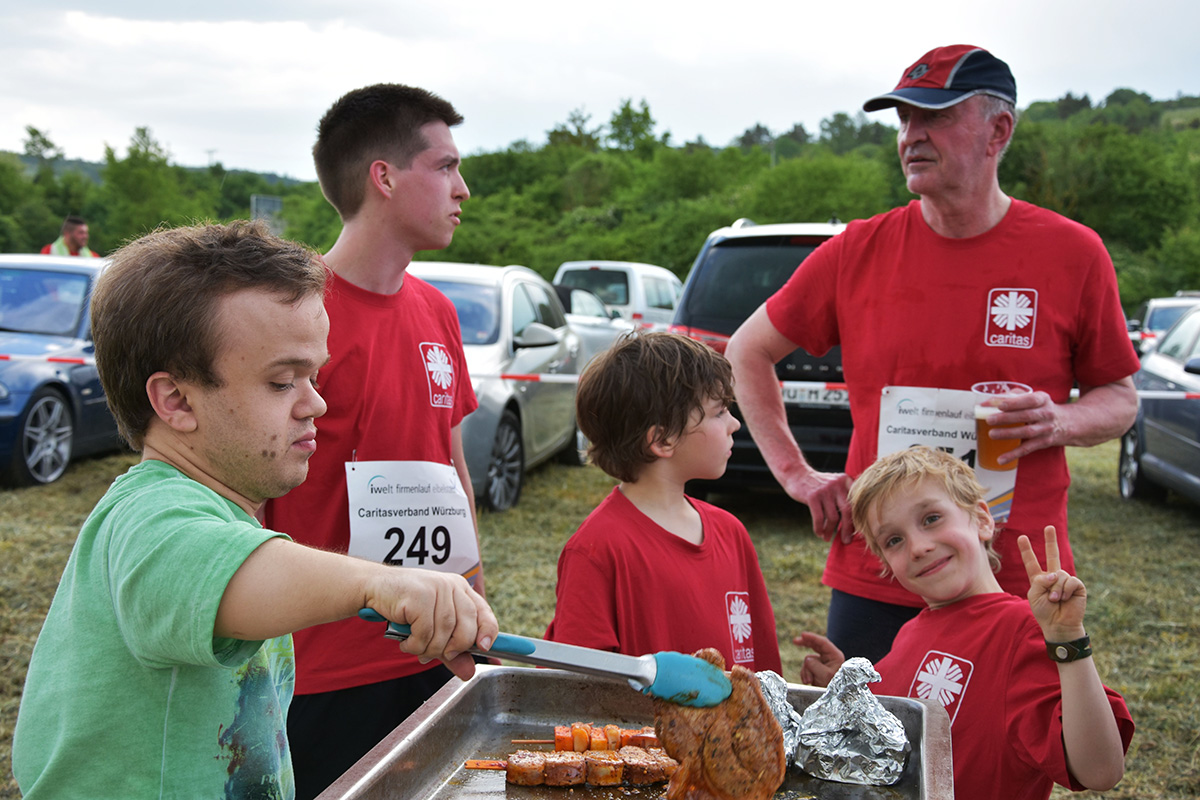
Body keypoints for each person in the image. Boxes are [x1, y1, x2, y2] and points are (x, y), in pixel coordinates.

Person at [11, 221, 498, 799]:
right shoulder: (149, 515)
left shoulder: (224, 514)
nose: (315, 402)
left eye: (313, 375)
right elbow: (228, 571)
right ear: (175, 400)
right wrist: (381, 581)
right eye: (281, 382)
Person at [725, 44, 1141, 663]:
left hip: (1015, 570)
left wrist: (1062, 420)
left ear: (998, 130)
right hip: (882, 567)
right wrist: (797, 475)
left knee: (1008, 755)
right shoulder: (856, 250)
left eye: (936, 116)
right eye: (903, 119)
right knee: (865, 749)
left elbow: (1120, 399)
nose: (911, 136)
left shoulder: (1072, 252)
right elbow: (746, 350)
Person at [260, 83, 483, 798]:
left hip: (433, 651)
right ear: (383, 177)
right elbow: (246, 496)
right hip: (321, 669)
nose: (464, 188)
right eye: (445, 166)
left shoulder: (438, 311)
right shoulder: (291, 315)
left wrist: (472, 601)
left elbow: (450, 467)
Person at [795, 446, 1134, 800]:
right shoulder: (911, 633)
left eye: (931, 519)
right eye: (894, 540)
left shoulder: (1022, 627)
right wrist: (846, 691)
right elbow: (896, 732)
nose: (918, 547)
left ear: (983, 520)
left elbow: (1100, 769)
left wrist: (1068, 642)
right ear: (886, 564)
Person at [544, 332, 782, 673]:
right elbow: (576, 692)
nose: (734, 424)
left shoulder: (732, 533)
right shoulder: (596, 551)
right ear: (663, 439)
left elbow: (765, 675)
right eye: (719, 412)